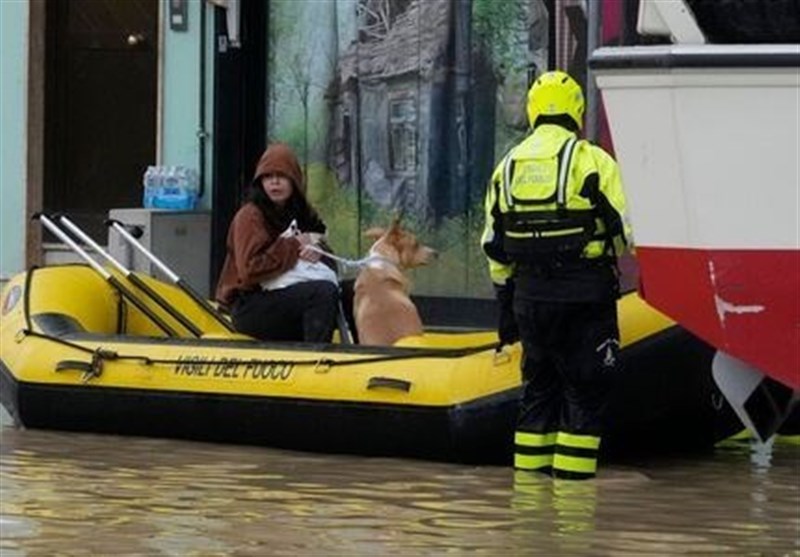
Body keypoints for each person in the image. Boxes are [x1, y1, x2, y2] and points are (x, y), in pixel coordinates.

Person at [481, 70, 632, 480]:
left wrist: (505, 308)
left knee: (537, 395)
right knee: (584, 396)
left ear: (533, 112)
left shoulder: (506, 168)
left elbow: (493, 247)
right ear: (577, 113)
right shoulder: (592, 161)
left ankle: (529, 508)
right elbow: (627, 231)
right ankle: (572, 516)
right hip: (585, 299)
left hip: (529, 301)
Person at [215, 142, 340, 343]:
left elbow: (330, 261)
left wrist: (317, 250)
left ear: (294, 182)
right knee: (322, 293)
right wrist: (293, 245)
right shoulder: (250, 216)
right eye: (268, 177)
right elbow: (250, 269)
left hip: (290, 294)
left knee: (351, 291)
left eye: (281, 177)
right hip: (251, 305)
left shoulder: (304, 213)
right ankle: (316, 359)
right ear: (260, 182)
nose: (274, 183)